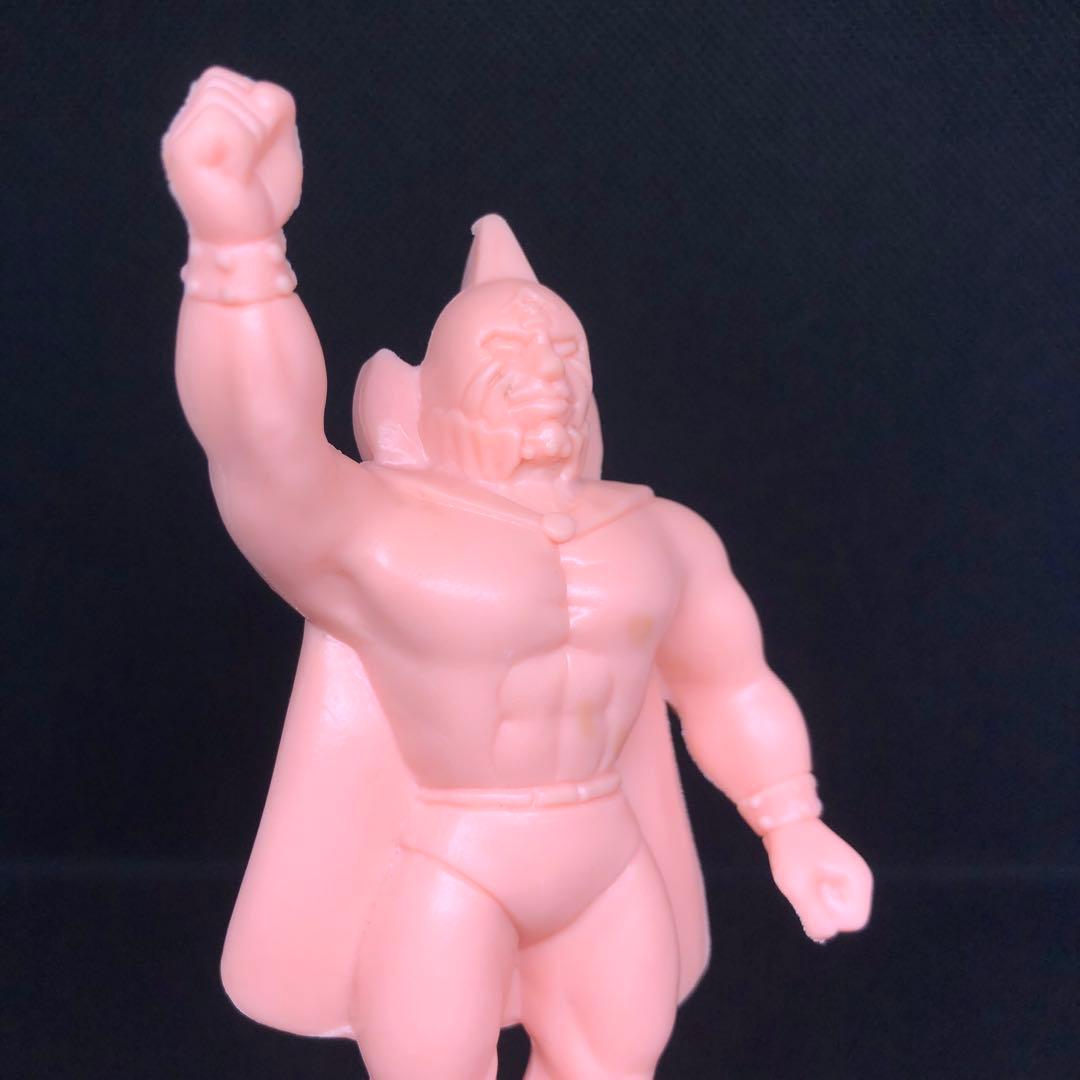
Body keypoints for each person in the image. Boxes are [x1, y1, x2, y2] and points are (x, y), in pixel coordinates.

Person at [163, 66, 872, 1080]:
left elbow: (729, 683)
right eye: (506, 346)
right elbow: (259, 445)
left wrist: (793, 822)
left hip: (606, 855)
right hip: (458, 858)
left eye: (563, 348)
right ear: (439, 387)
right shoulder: (381, 532)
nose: (544, 367)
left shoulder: (661, 536)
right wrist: (237, 246)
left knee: (612, 1064)